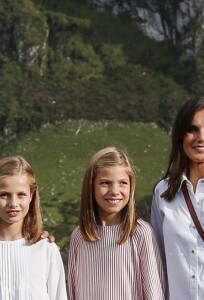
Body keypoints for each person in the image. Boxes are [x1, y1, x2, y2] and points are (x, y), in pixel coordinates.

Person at [0, 156, 68, 300]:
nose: (13, 203)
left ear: (31, 196)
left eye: (21, 194)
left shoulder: (47, 249)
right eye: (4, 195)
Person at [68, 147, 166, 300]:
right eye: (105, 183)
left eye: (122, 183)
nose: (115, 190)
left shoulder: (141, 233)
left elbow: (154, 294)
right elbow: (72, 292)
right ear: (91, 186)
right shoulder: (79, 236)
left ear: (131, 186)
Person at [151, 96, 204, 300]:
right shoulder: (163, 192)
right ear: (180, 135)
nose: (200, 137)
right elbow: (155, 261)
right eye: (192, 129)